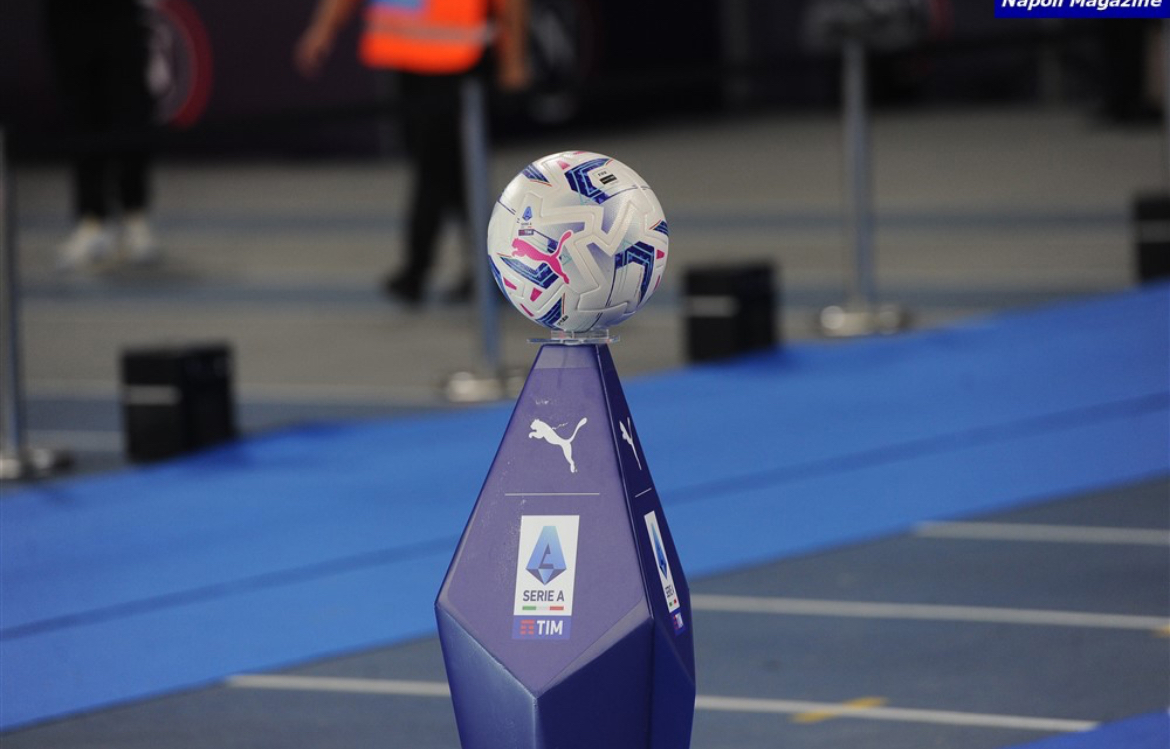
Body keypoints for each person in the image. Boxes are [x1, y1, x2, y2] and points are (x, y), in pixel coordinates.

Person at [296, 0, 529, 305]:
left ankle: (420, 271)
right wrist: (324, 27)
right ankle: (487, 270)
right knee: (449, 171)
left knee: (440, 167)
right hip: (409, 56)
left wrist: (513, 60)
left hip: (460, 58)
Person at [45, 0, 161, 272]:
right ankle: (92, 220)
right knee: (81, 115)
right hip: (68, 16)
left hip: (119, 14)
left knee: (131, 112)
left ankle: (134, 217)